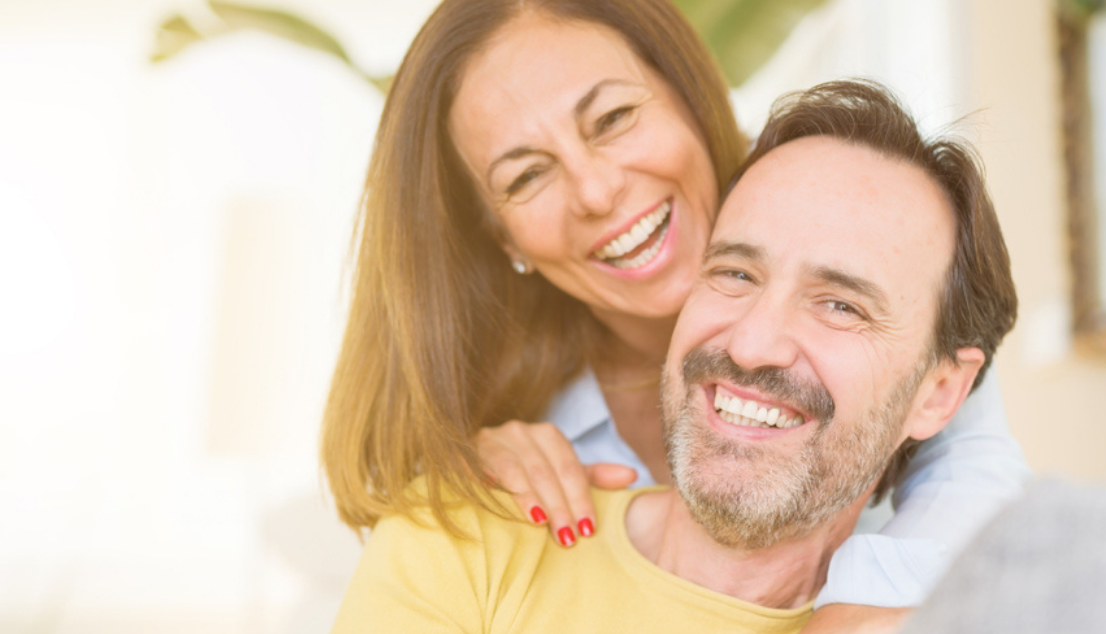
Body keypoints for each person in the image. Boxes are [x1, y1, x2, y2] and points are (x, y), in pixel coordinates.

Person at [320, 0, 1029, 625]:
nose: (596, 190)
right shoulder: (507, 466)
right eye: (528, 174)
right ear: (504, 239)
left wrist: (852, 615)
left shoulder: (882, 248)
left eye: (614, 118)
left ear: (692, 98)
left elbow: (971, 472)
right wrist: (472, 474)